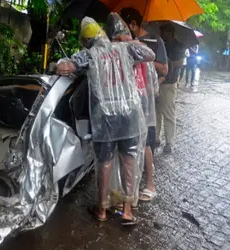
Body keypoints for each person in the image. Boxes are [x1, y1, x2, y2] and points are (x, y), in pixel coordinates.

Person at [56, 16, 155, 225]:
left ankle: (101, 209)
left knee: (105, 162)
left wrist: (61, 62)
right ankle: (127, 211)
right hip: (130, 114)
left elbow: (65, 68)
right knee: (129, 160)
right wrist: (126, 40)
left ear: (86, 41)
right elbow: (150, 54)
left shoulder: (89, 54)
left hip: (106, 117)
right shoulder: (124, 49)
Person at [120, 7, 166, 201]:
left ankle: (150, 185)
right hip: (127, 98)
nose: (122, 30)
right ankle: (129, 184)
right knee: (128, 142)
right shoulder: (121, 42)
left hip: (145, 100)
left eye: (124, 26)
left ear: (132, 24)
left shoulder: (155, 41)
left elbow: (164, 69)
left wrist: (136, 48)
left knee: (146, 142)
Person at [157, 23, 186, 154]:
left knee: (168, 113)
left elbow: (180, 63)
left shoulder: (178, 46)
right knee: (156, 112)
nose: (162, 34)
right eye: (162, 31)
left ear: (171, 33)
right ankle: (156, 138)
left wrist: (167, 61)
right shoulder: (159, 43)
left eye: (165, 32)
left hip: (169, 83)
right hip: (157, 82)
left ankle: (169, 142)